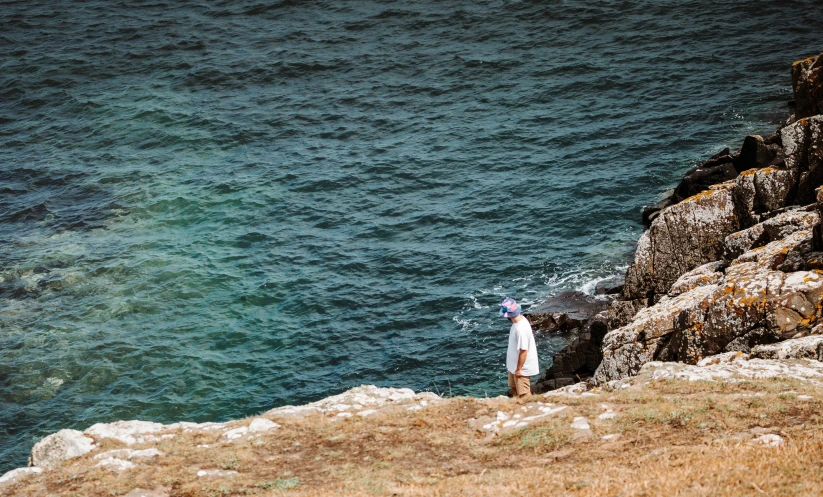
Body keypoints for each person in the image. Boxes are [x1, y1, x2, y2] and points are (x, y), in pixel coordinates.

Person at [499, 297, 538, 397]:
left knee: (524, 394)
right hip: (514, 366)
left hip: (521, 368)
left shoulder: (520, 330)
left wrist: (519, 369)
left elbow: (524, 351)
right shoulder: (518, 321)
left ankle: (531, 410)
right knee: (515, 390)